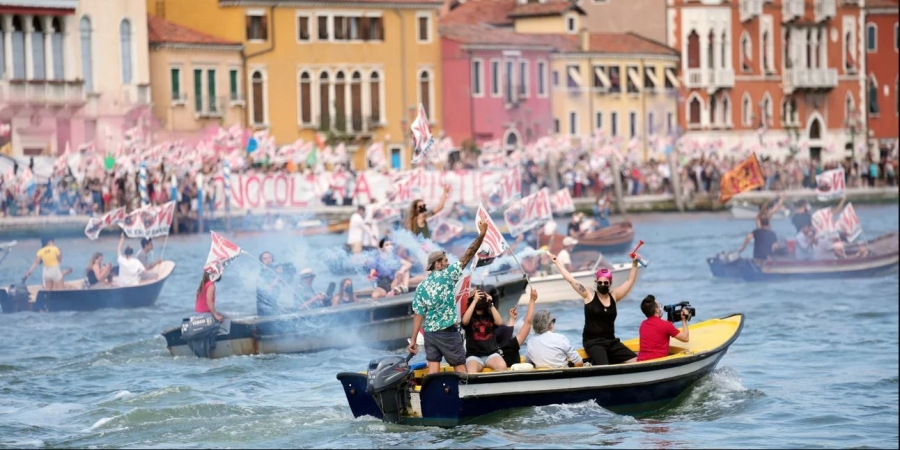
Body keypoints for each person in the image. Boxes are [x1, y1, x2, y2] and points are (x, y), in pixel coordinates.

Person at [407, 220, 488, 374]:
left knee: (433, 371)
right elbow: (469, 254)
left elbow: (418, 315)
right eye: (445, 261)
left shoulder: (421, 287)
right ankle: (465, 395)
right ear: (437, 264)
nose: (448, 263)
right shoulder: (447, 275)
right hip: (448, 333)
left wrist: (413, 341)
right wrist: (482, 234)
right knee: (460, 370)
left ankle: (430, 396)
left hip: (430, 334)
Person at [551, 252, 643, 365]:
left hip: (611, 341)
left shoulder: (614, 296)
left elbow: (629, 281)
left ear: (610, 283)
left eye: (605, 283)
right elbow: (571, 280)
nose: (603, 284)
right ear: (596, 282)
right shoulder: (589, 295)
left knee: (636, 361)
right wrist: (557, 262)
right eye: (600, 282)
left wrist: (634, 264)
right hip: (593, 342)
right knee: (604, 366)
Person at [461, 287, 506, 373]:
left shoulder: (490, 315)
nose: (480, 299)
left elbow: (499, 322)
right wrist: (474, 300)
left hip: (491, 354)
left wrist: (490, 303)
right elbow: (465, 321)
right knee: (471, 372)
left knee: (502, 366)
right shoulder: (469, 316)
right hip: (474, 356)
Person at [636, 295, 690, 362]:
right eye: (659, 306)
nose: (660, 308)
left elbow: (658, 329)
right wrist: (684, 320)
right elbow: (685, 338)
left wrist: (670, 321)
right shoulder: (665, 325)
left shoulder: (643, 324)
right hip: (656, 362)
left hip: (641, 361)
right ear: (656, 310)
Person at [496, 288, 539, 368]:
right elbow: (528, 323)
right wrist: (532, 300)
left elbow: (507, 333)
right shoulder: (511, 345)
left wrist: (512, 319)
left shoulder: (489, 347)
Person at [257, 251, 285, 316]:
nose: (268, 260)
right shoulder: (262, 274)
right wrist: (278, 274)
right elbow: (268, 288)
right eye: (265, 258)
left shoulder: (272, 271)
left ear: (272, 259)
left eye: (269, 258)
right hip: (266, 307)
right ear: (262, 261)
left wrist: (280, 275)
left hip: (273, 304)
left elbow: (283, 284)